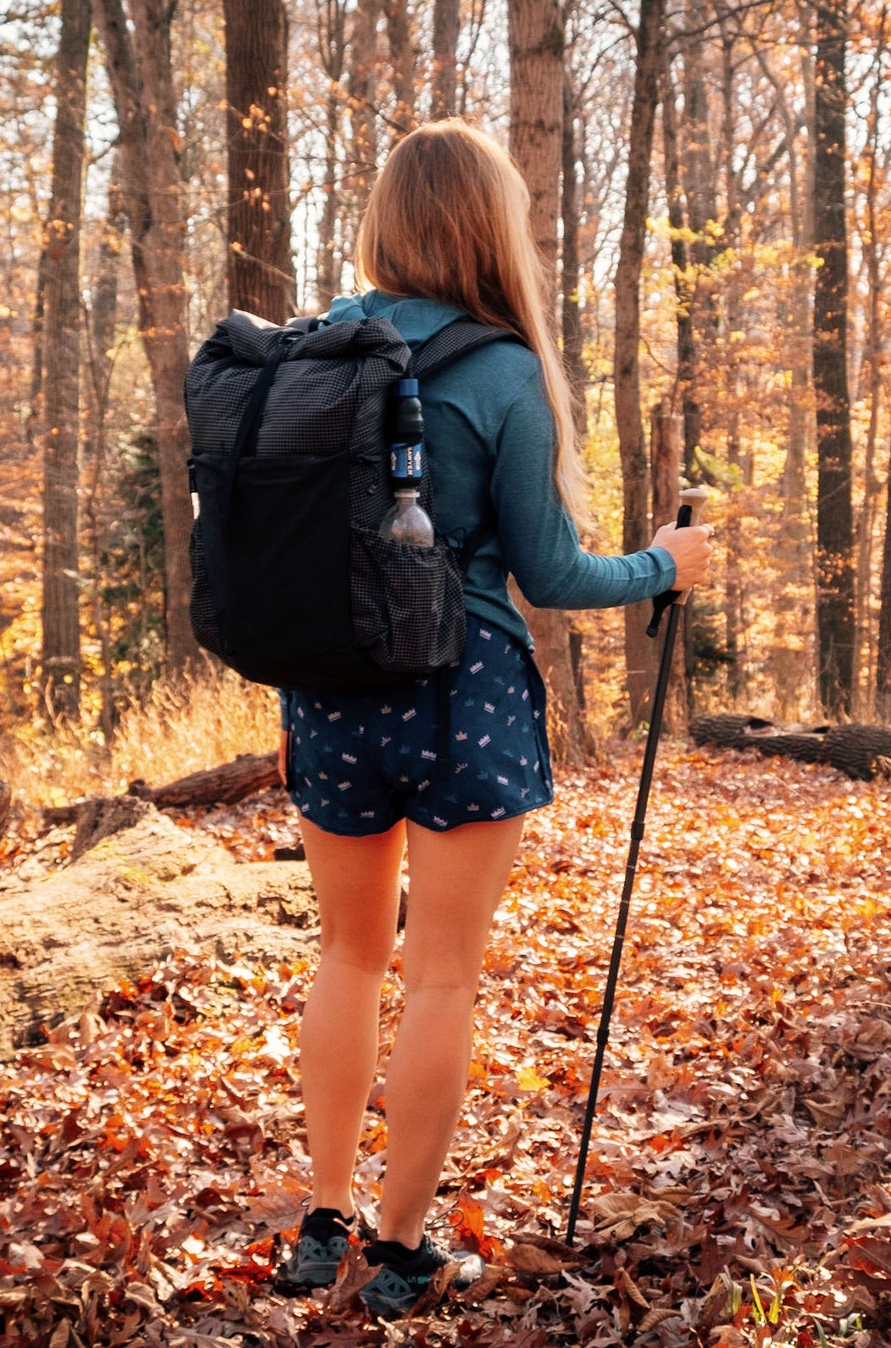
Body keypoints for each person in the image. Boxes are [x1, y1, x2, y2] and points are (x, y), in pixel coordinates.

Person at [272, 119, 713, 1319]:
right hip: (458, 696)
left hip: (326, 694)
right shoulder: (502, 370)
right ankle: (401, 1248)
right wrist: (662, 564)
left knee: (348, 956)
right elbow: (550, 573)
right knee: (441, 980)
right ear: (488, 226)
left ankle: (321, 1217)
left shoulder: (315, 350)